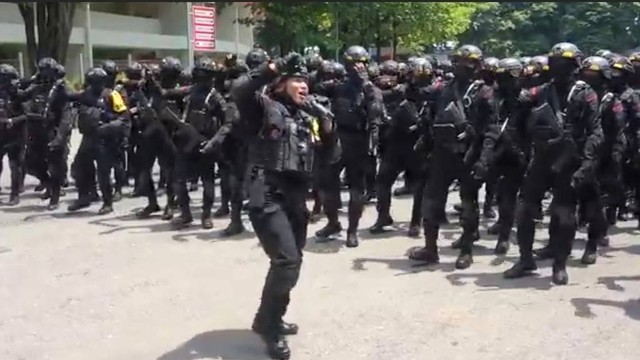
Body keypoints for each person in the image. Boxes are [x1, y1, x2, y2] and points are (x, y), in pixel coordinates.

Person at [232, 52, 334, 360]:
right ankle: (269, 328)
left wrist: (327, 122)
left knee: (293, 260)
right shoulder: (263, 108)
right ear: (279, 85)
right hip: (267, 193)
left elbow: (330, 153)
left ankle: (270, 317)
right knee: (286, 260)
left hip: (295, 196)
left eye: (306, 81)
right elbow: (240, 89)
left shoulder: (307, 115)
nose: (304, 86)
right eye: (297, 80)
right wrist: (272, 67)